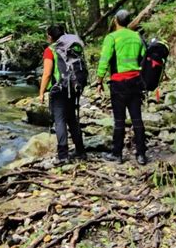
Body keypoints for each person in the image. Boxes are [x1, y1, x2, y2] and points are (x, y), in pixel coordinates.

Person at [96, 10, 147, 165]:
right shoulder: (137, 36)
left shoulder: (111, 37)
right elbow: (144, 57)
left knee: (119, 120)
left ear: (115, 20)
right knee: (137, 119)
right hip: (136, 82)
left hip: (118, 83)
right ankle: (141, 155)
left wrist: (99, 81)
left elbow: (104, 60)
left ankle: (117, 154)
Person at [39, 25, 86, 163]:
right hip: (74, 86)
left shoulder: (50, 50)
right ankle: (80, 151)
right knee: (72, 118)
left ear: (50, 37)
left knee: (59, 120)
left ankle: (63, 155)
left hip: (59, 89)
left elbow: (47, 73)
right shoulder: (72, 48)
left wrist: (41, 92)